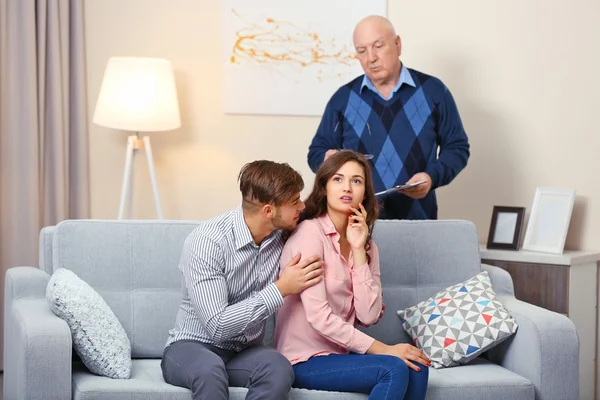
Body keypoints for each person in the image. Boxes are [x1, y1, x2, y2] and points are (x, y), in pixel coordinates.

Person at [162, 160, 325, 400]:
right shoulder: (207, 242)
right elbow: (217, 326)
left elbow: (321, 211)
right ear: (269, 211)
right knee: (209, 370)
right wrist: (280, 289)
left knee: (278, 367)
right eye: (295, 202)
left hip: (242, 354)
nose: (301, 206)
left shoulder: (281, 235)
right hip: (191, 346)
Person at [274, 150, 430, 399]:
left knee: (418, 366)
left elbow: (368, 315)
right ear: (324, 187)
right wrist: (385, 349)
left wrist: (358, 249)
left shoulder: (367, 246)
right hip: (303, 359)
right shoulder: (309, 234)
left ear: (365, 192)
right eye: (338, 179)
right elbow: (319, 317)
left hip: (340, 355)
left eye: (356, 181)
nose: (347, 187)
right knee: (393, 369)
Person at [307, 15, 470, 220]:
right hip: (357, 223)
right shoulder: (343, 99)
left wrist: (432, 177)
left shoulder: (434, 92)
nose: (371, 58)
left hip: (419, 222)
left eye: (378, 46)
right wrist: (326, 160)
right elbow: (315, 153)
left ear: (397, 44)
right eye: (362, 51)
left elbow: (457, 148)